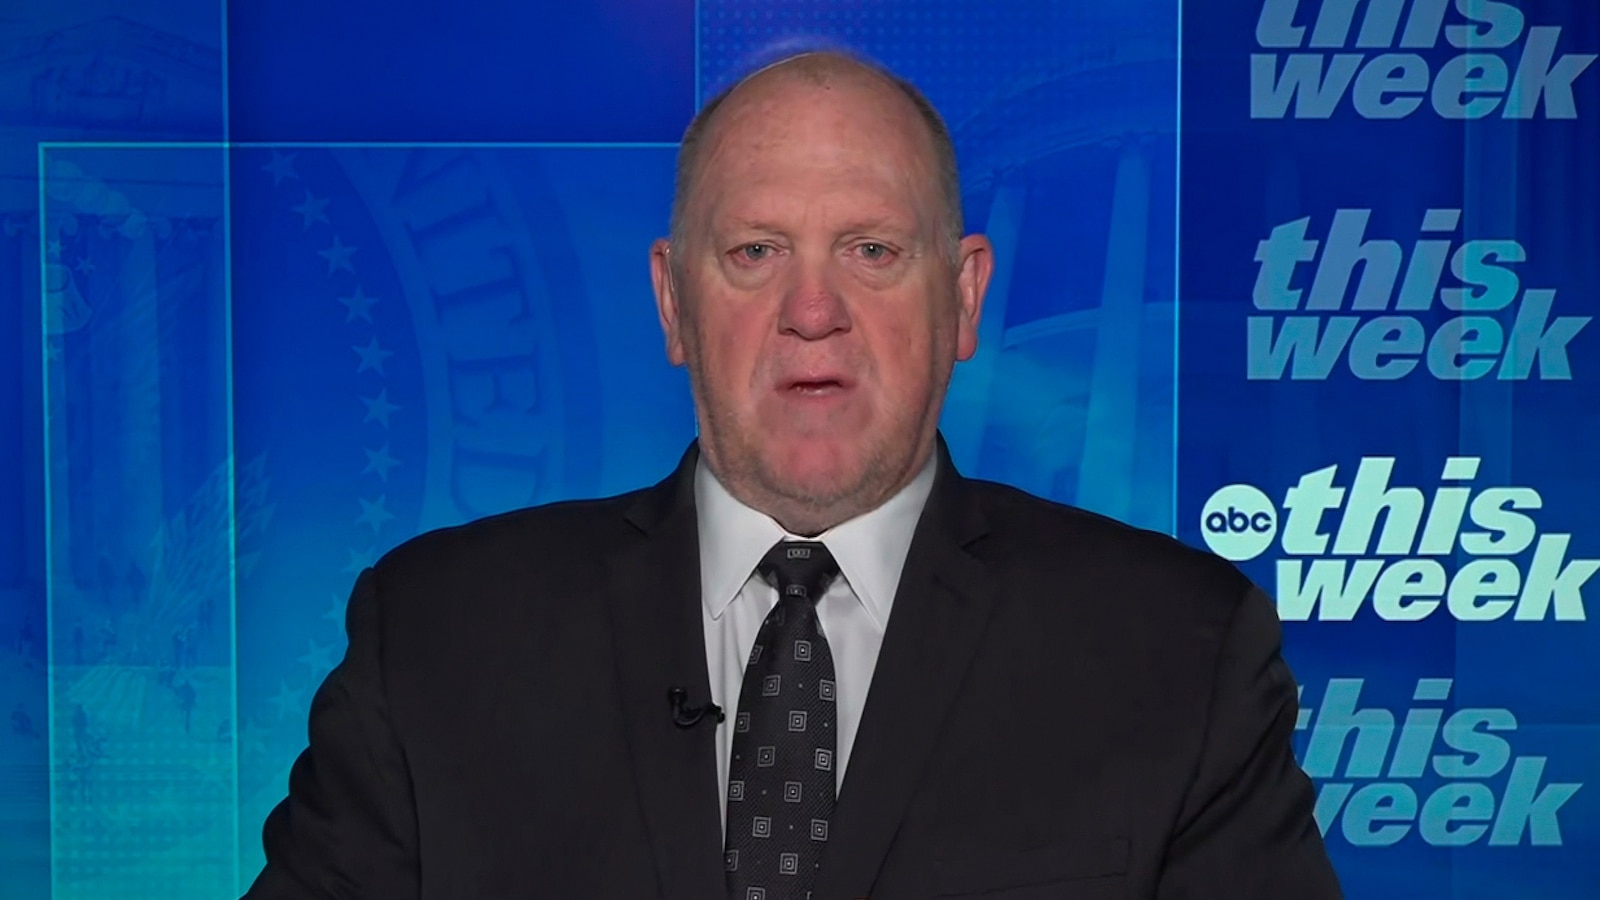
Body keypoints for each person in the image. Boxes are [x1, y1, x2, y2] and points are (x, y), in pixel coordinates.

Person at [244, 50, 1342, 900]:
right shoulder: (437, 634)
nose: (812, 312)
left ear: (963, 298)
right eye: (755, 252)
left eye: (872, 250)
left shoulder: (1181, 650)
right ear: (673, 303)